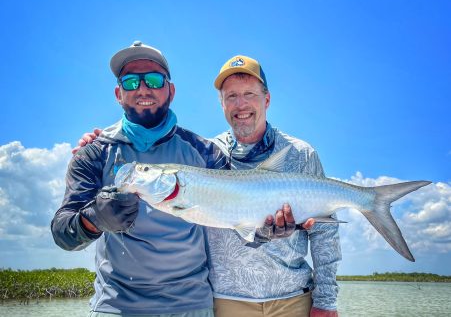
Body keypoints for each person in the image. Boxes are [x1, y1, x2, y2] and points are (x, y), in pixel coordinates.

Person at [52, 42, 300, 317]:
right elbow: (63, 234)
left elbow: (233, 221)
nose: (143, 89)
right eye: (131, 81)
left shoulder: (205, 152)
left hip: (192, 307)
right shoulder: (94, 152)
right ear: (118, 93)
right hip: (116, 307)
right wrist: (94, 218)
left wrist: (267, 230)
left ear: (171, 91)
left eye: (155, 80)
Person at [207, 55, 341, 317]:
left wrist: (326, 300)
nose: (240, 104)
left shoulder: (301, 154)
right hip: (225, 302)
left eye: (249, 93)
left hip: (293, 301)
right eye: (231, 96)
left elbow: (325, 233)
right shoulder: (207, 154)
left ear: (266, 99)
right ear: (221, 103)